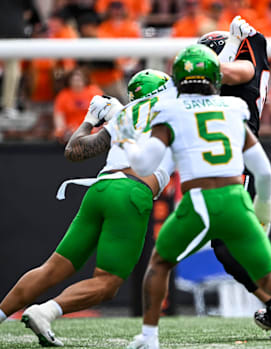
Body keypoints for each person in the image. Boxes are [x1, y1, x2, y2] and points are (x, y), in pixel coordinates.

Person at [122, 44, 271, 348]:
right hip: (236, 199)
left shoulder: (169, 110)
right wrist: (263, 206)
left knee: (159, 264)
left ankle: (149, 337)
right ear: (216, 76)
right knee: (270, 275)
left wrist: (127, 140)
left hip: (198, 201)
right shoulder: (232, 109)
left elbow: (144, 164)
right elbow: (264, 173)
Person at [0, 69, 174, 347]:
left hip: (100, 188)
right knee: (107, 283)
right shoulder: (175, 107)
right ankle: (45, 312)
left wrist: (90, 120)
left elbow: (75, 150)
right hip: (132, 191)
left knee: (51, 269)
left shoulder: (125, 114)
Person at [198, 18, 271, 339]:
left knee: (230, 246)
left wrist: (222, 49)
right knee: (229, 248)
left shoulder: (246, 62)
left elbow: (222, 72)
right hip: (222, 161)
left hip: (238, 159)